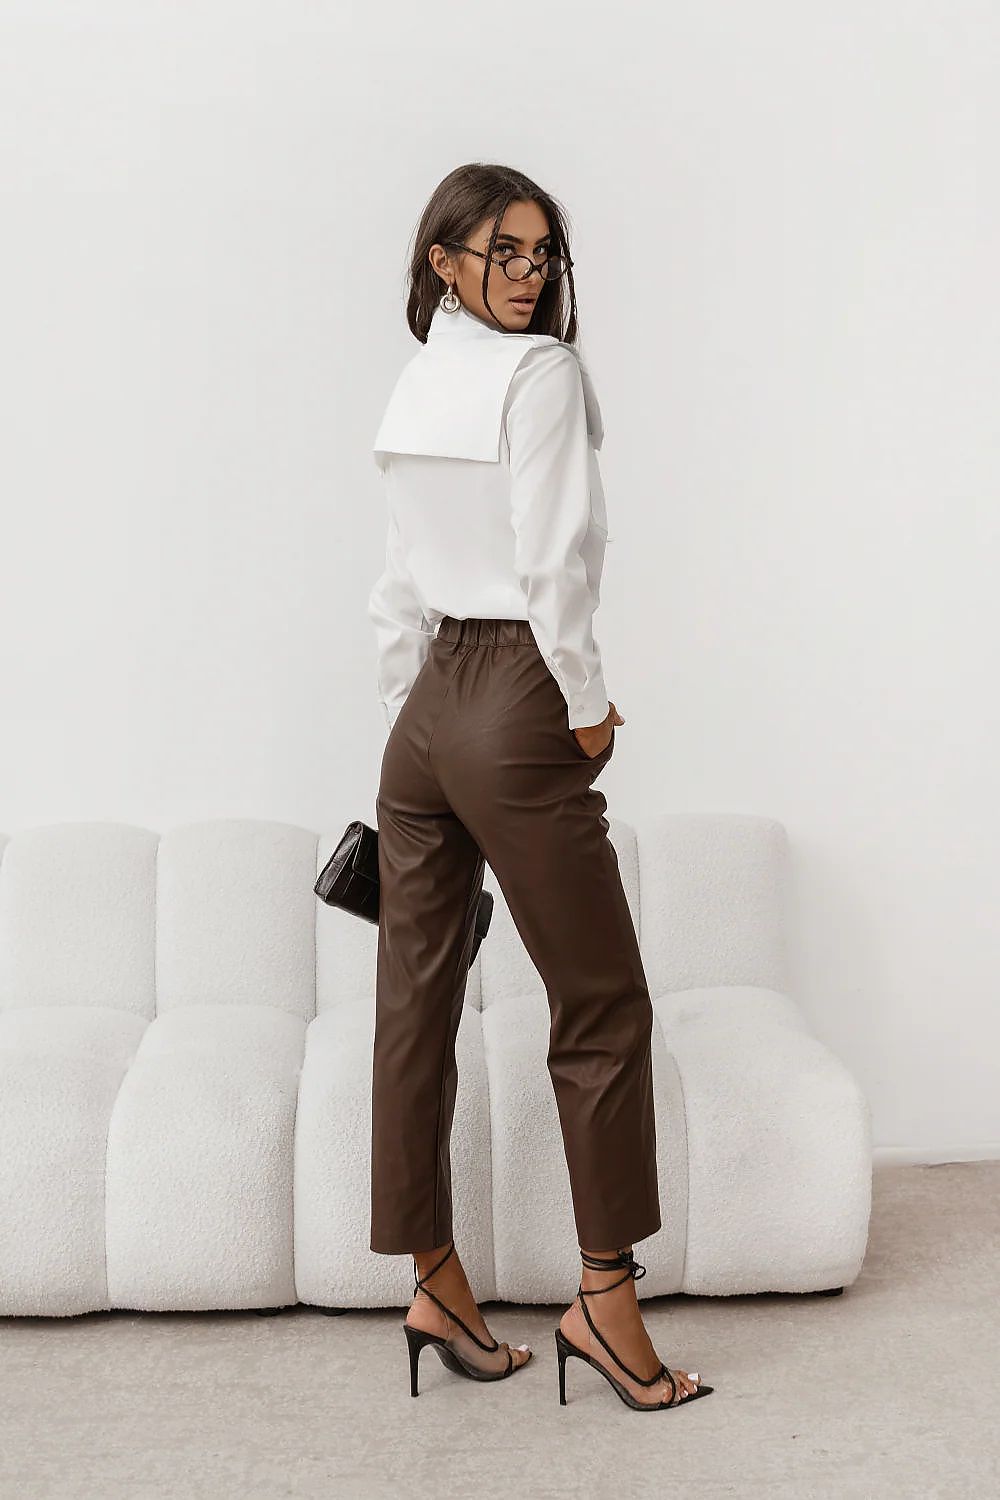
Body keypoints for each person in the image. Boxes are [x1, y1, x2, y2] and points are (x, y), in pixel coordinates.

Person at [366, 162, 712, 1411]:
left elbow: (398, 578)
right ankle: (607, 1305)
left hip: (424, 716)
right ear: (443, 257)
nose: (526, 273)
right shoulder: (544, 376)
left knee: (414, 1002)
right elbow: (555, 560)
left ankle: (435, 1280)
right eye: (500, 250)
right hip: (516, 694)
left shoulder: (417, 382)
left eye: (541, 253)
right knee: (602, 1002)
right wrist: (582, 708)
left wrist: (410, 711)